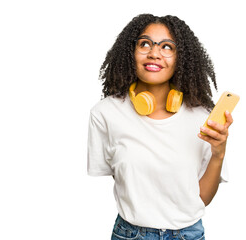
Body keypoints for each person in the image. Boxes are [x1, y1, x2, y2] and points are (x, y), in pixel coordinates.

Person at [87, 14, 234, 240]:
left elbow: (200, 199)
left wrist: (218, 154)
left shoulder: (202, 117)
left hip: (189, 235)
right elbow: (126, 186)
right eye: (144, 43)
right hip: (130, 234)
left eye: (167, 47)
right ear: (130, 52)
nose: (154, 53)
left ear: (181, 57)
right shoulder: (105, 113)